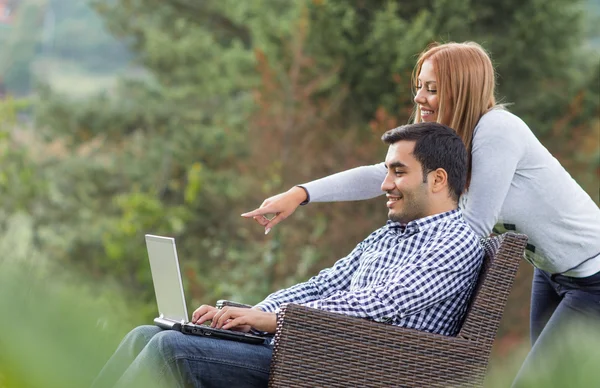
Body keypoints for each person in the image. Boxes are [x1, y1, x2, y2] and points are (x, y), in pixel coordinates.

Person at [241, 41, 600, 383]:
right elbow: (387, 173)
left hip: (593, 277)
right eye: (419, 86)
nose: (419, 97)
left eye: (431, 88)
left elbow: (473, 227)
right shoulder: (452, 140)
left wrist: (413, 280)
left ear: (460, 90)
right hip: (552, 274)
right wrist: (301, 193)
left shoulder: (498, 130)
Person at [92, 122, 484, 388]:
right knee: (149, 333)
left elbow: (378, 305)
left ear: (437, 179)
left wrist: (271, 321)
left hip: (339, 366)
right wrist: (248, 316)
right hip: (303, 345)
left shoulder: (454, 242)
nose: (384, 184)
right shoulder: (390, 234)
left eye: (398, 172)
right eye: (386, 171)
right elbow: (325, 284)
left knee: (170, 350)